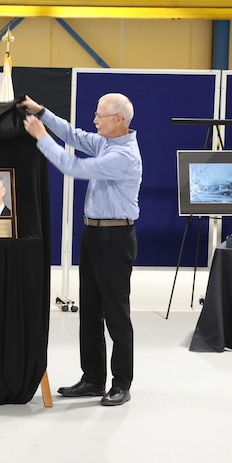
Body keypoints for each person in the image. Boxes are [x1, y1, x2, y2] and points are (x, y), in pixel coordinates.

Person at [20, 93, 141, 407]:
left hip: (115, 240)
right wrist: (41, 110)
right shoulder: (106, 141)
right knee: (89, 311)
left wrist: (41, 137)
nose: (95, 120)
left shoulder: (123, 155)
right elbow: (73, 135)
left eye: (100, 116)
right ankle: (92, 379)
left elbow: (71, 166)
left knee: (116, 314)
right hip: (94, 235)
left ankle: (121, 383)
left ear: (119, 120)